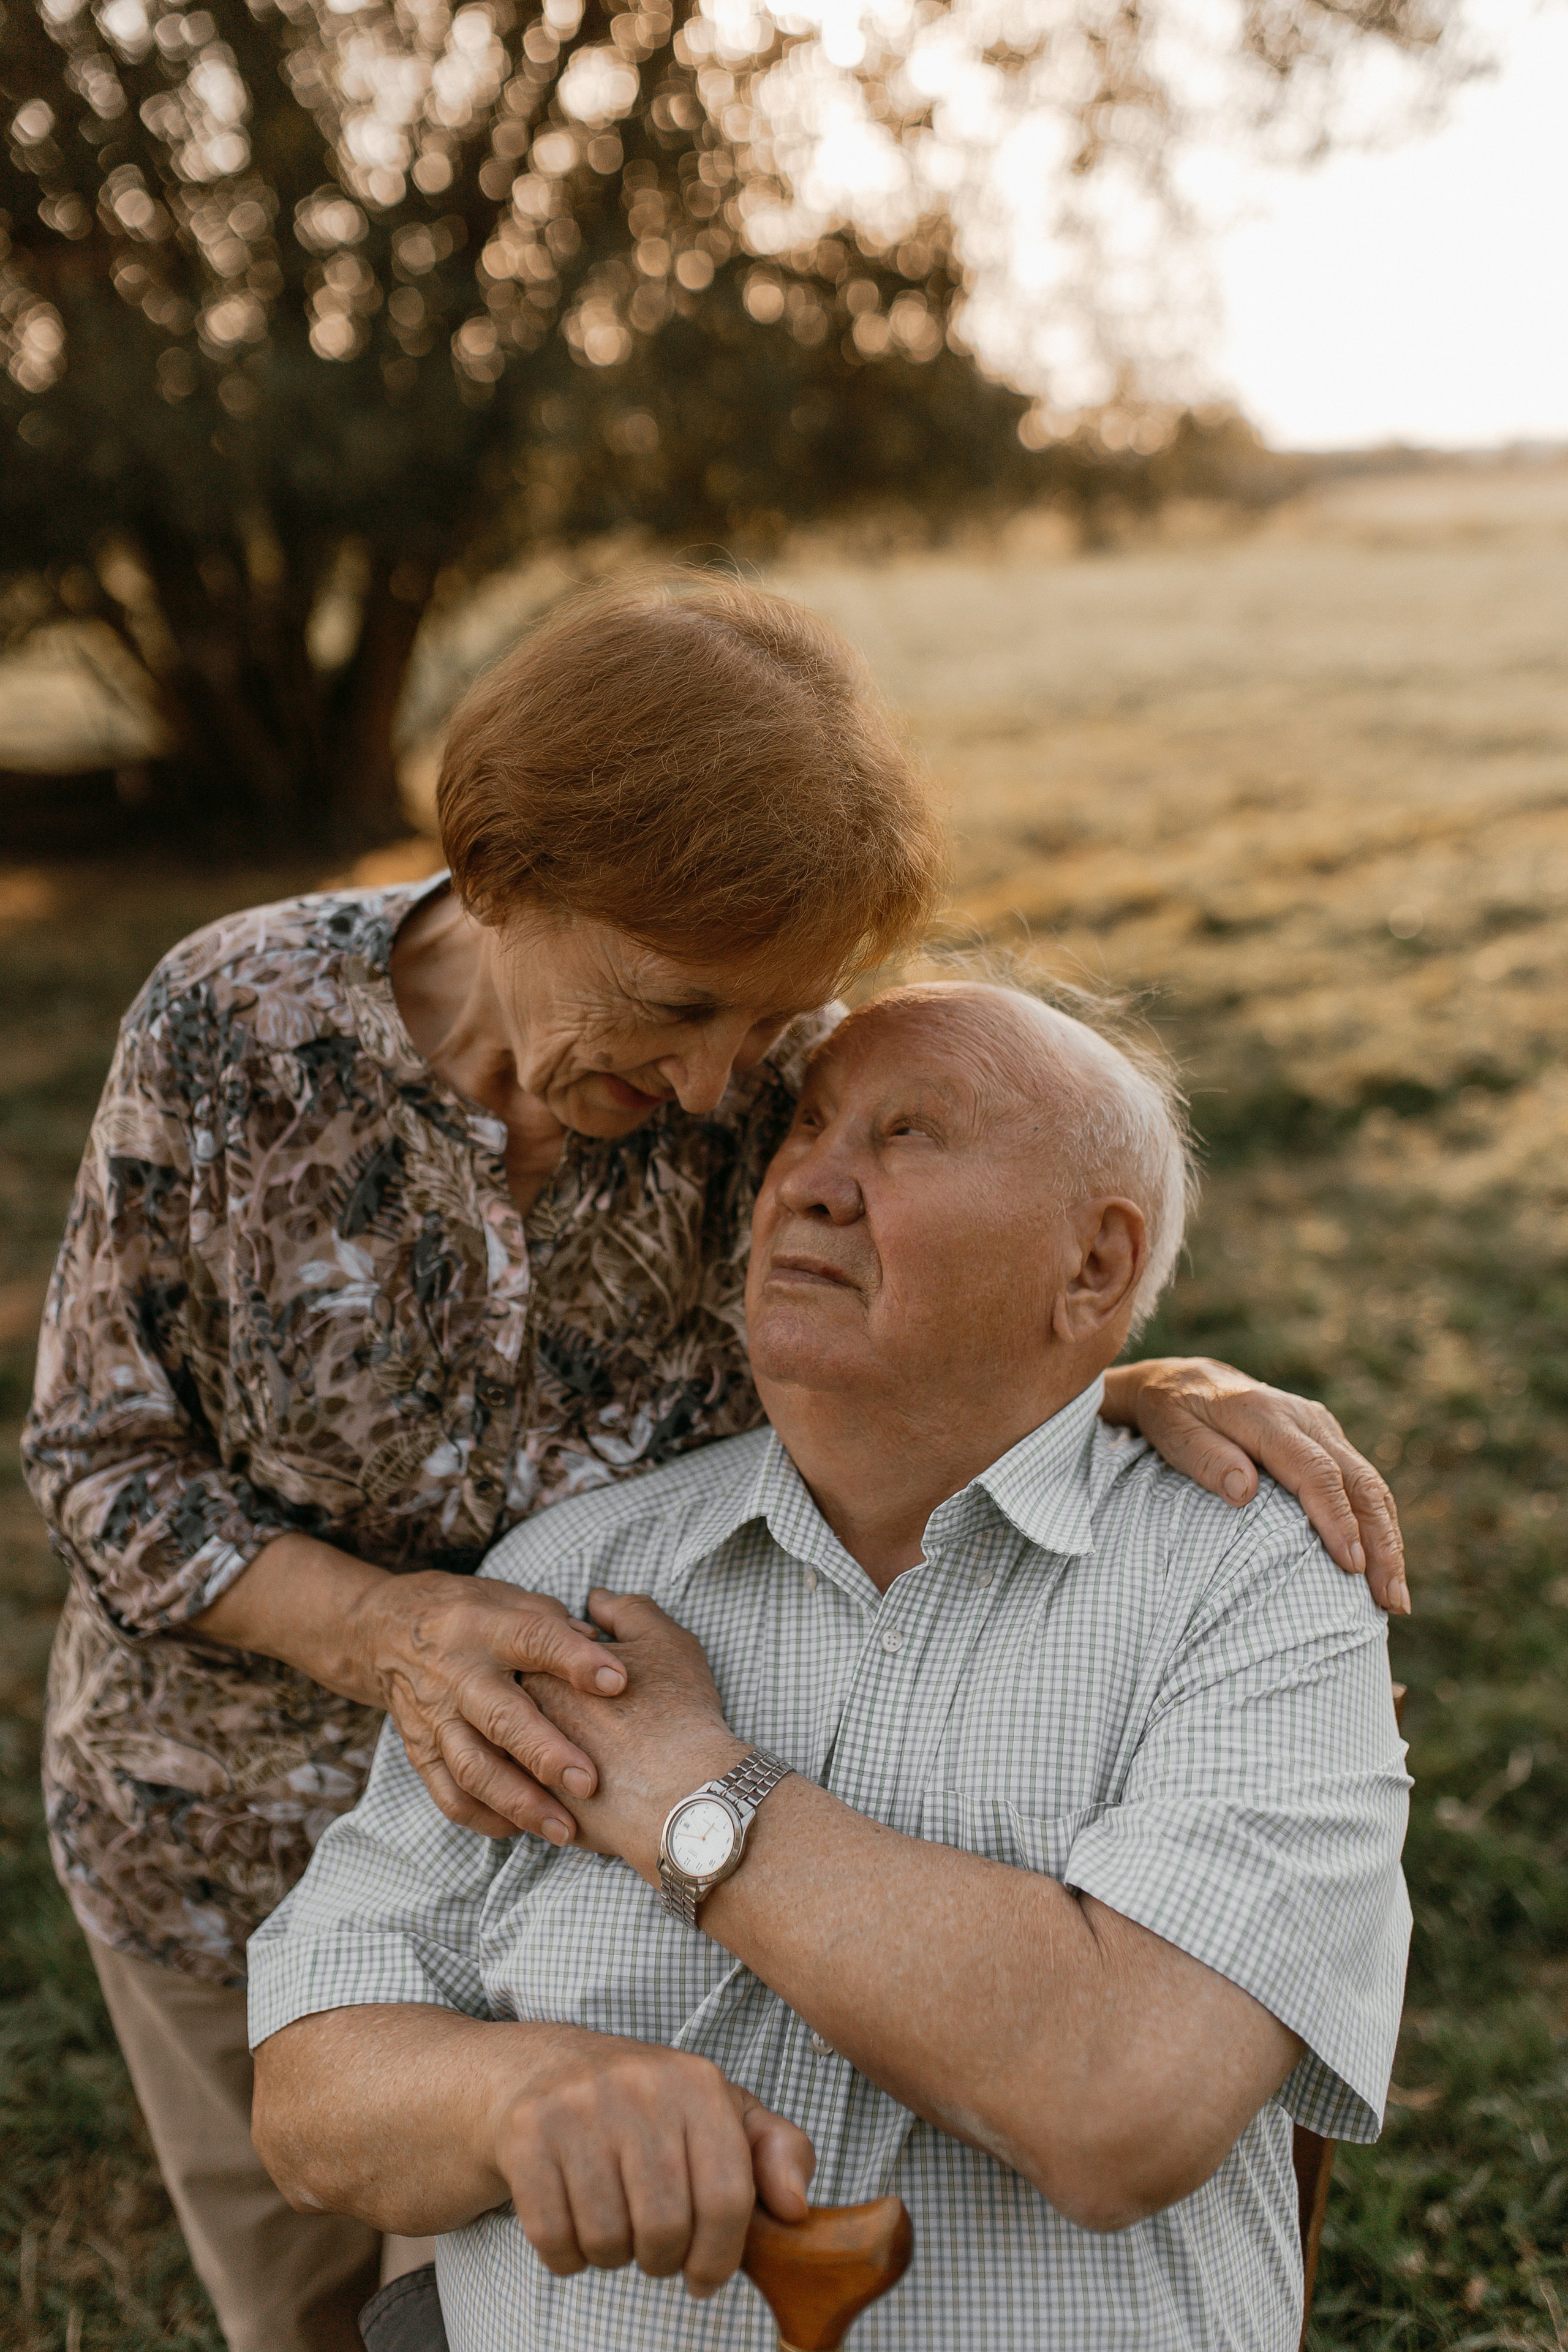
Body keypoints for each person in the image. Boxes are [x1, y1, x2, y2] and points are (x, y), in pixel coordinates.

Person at [24, 578, 1404, 2352]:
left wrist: (1121, 1382)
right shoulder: (232, 1026)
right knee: (322, 2297)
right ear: (506, 872)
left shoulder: (754, 1071)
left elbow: (937, 1303)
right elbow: (101, 1450)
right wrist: (404, 1641)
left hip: (606, 1800)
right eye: (675, 1011)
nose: (712, 1090)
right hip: (222, 1819)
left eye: (762, 1033)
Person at [246, 981, 1411, 2352]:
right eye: (806, 1127)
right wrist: (509, 2096)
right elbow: (309, 2093)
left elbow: (1124, 2100)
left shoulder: (1247, 1571)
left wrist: (687, 1787)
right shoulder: (567, 1573)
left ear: (1092, 1269)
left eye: (908, 1136)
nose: (808, 1181)